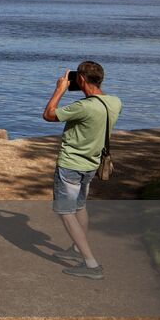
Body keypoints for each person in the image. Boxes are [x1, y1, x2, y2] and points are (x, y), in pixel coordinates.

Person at [42, 60, 122, 280]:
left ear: (82, 80)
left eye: (78, 79)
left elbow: (49, 114)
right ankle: (76, 249)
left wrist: (59, 90)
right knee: (79, 207)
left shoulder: (83, 107)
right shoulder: (115, 102)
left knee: (65, 212)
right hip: (91, 164)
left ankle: (91, 264)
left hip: (70, 165)